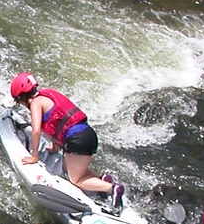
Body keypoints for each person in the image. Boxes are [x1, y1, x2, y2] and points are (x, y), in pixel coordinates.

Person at [10, 71, 125, 208]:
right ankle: (102, 180)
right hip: (87, 134)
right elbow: (58, 121)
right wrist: (54, 146)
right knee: (66, 167)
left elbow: (36, 130)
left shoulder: (36, 103)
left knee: (75, 179)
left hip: (77, 140)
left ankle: (111, 188)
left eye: (18, 100)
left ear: (22, 96)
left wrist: (34, 155)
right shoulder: (48, 94)